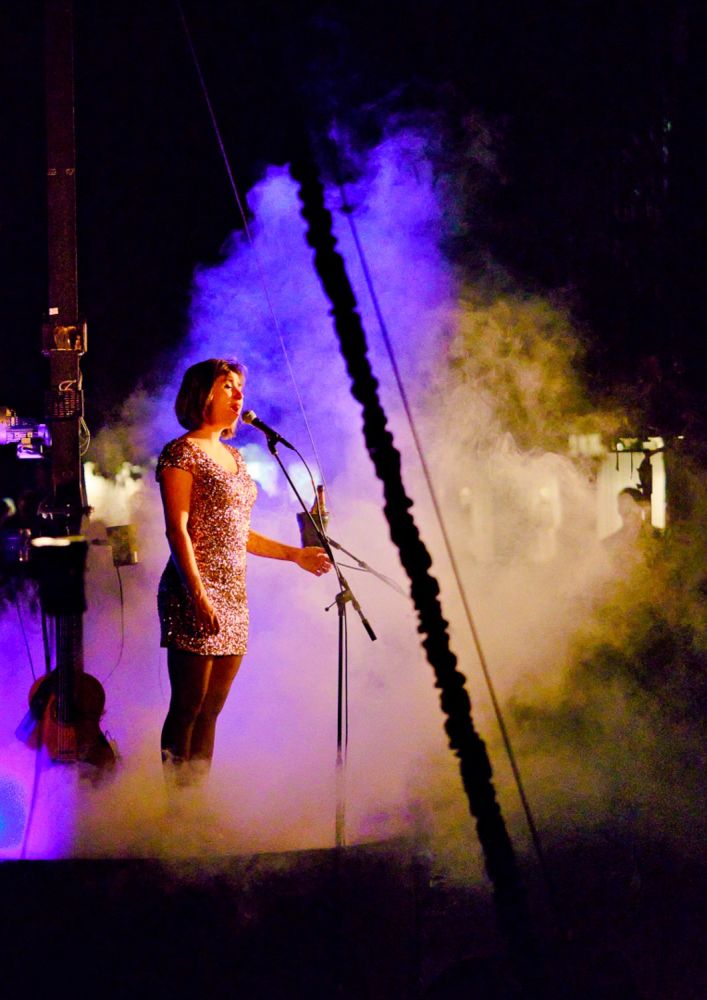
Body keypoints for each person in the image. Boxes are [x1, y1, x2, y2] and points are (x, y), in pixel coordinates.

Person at [156, 357, 331, 788]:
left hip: (233, 594)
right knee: (188, 705)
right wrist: (198, 595)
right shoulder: (181, 452)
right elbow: (177, 529)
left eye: (240, 387)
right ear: (204, 393)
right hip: (193, 587)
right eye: (228, 385)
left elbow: (238, 533)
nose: (239, 395)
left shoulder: (234, 456)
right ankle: (170, 808)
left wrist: (295, 555)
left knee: (211, 710)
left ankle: (196, 801)